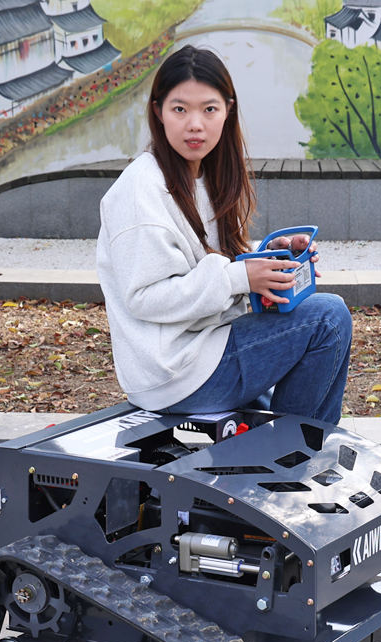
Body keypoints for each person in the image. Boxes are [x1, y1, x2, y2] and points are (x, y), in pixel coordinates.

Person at [96, 45, 352, 424]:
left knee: (318, 321)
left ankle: (294, 444)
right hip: (175, 374)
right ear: (158, 112)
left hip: (201, 355)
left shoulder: (203, 176)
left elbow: (208, 261)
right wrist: (239, 277)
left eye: (209, 109)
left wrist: (269, 256)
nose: (195, 124)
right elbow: (145, 297)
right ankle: (293, 450)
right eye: (179, 109)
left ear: (227, 111)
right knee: (328, 318)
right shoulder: (141, 188)